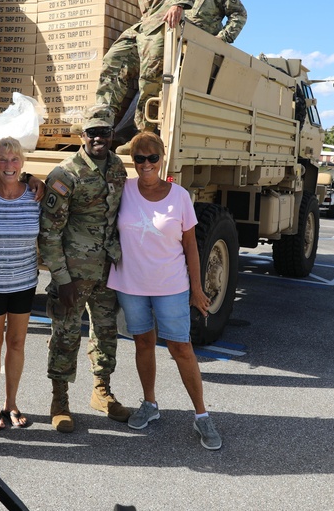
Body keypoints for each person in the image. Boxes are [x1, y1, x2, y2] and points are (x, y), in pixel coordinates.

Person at [107, 131, 223, 450]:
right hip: (130, 285)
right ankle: (150, 404)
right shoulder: (123, 190)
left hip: (170, 286)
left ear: (161, 159)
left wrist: (196, 289)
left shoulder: (180, 196)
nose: (145, 164)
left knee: (181, 348)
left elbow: (190, 247)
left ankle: (201, 416)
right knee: (143, 342)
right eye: (139, 158)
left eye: (152, 158)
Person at [69, 0, 199, 147]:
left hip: (165, 19)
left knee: (150, 74)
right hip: (145, 22)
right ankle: (100, 121)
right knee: (113, 61)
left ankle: (144, 136)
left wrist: (179, 4)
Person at [39, 104, 131, 433]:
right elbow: (49, 233)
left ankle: (101, 391)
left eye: (104, 133)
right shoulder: (66, 174)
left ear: (112, 136)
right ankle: (59, 400)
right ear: (82, 136)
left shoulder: (118, 168)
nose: (98, 138)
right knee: (65, 336)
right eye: (92, 132)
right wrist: (61, 279)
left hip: (107, 271)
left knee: (106, 334)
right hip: (73, 275)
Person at [0, 137, 41, 430]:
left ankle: (11, 402)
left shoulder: (35, 196)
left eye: (15, 159)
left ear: (23, 163)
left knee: (16, 343)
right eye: (2, 159)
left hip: (24, 282)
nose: (9, 165)